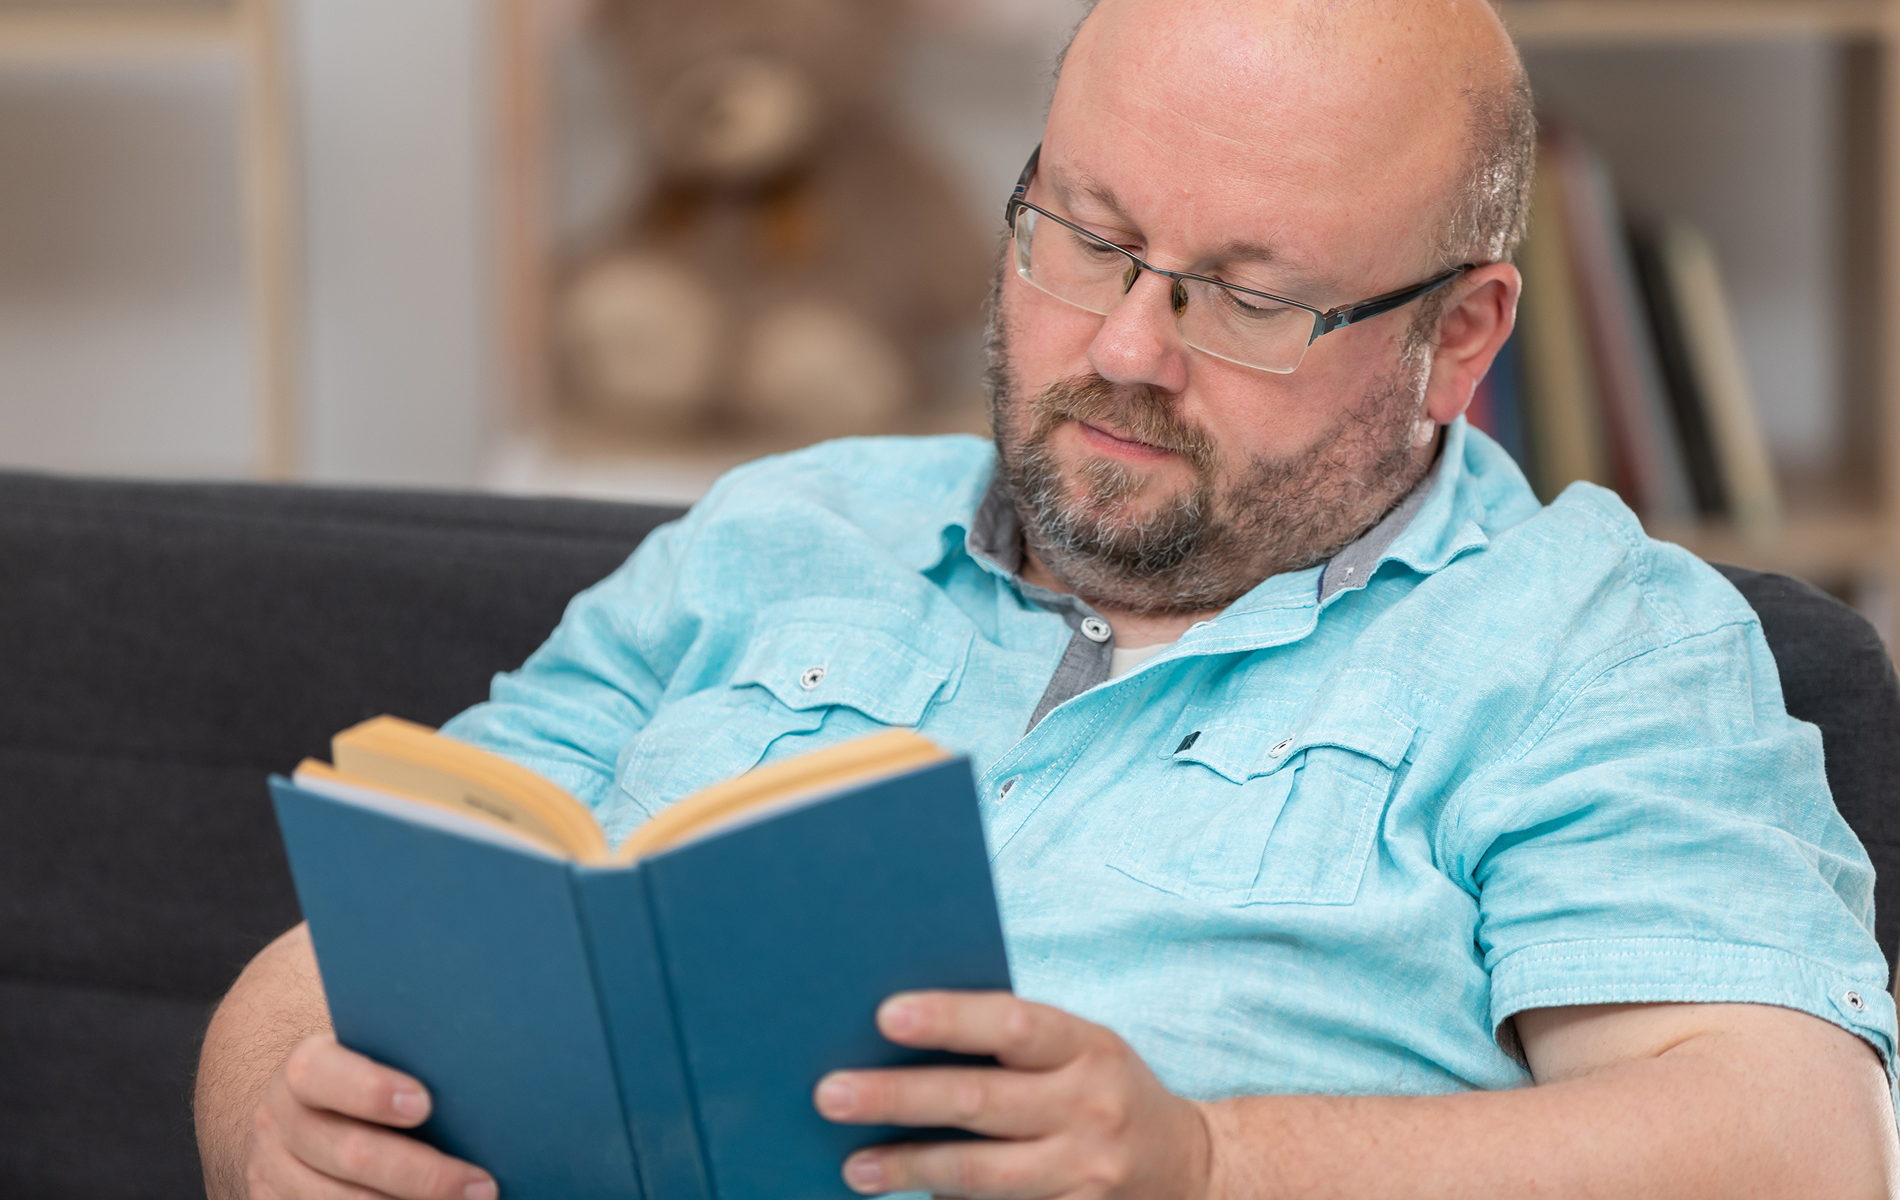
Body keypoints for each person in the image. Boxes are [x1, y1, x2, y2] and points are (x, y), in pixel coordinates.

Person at [195, 1, 1900, 1196]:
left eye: (1251, 299)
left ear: (1457, 339)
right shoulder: (779, 533)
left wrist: (1215, 1166)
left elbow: (1801, 1150)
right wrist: (280, 1114)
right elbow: (352, 936)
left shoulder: (1593, 643)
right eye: (1083, 236)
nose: (1127, 351)